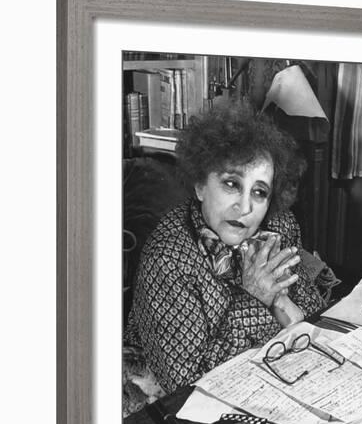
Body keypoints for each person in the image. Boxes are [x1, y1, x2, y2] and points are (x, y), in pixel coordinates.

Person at [124, 102, 325, 404]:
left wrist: (282, 298)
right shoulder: (167, 259)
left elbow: (310, 314)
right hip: (163, 406)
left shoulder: (277, 227)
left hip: (268, 377)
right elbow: (186, 384)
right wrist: (256, 297)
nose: (244, 208)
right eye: (232, 184)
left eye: (259, 192)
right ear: (201, 185)